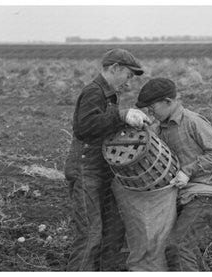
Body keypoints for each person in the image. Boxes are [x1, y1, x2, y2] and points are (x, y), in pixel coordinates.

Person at [64, 48, 151, 271]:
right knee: (91, 235)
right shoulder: (94, 92)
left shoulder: (109, 95)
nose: (129, 82)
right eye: (128, 75)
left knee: (114, 231)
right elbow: (85, 128)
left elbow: (103, 127)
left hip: (103, 172)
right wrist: (120, 115)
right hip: (86, 173)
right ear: (114, 68)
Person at [135, 77, 212, 271]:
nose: (150, 111)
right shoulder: (158, 128)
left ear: (168, 102)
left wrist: (188, 171)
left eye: (151, 106)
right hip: (184, 196)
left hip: (204, 194)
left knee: (178, 246)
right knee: (185, 247)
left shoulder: (192, 121)